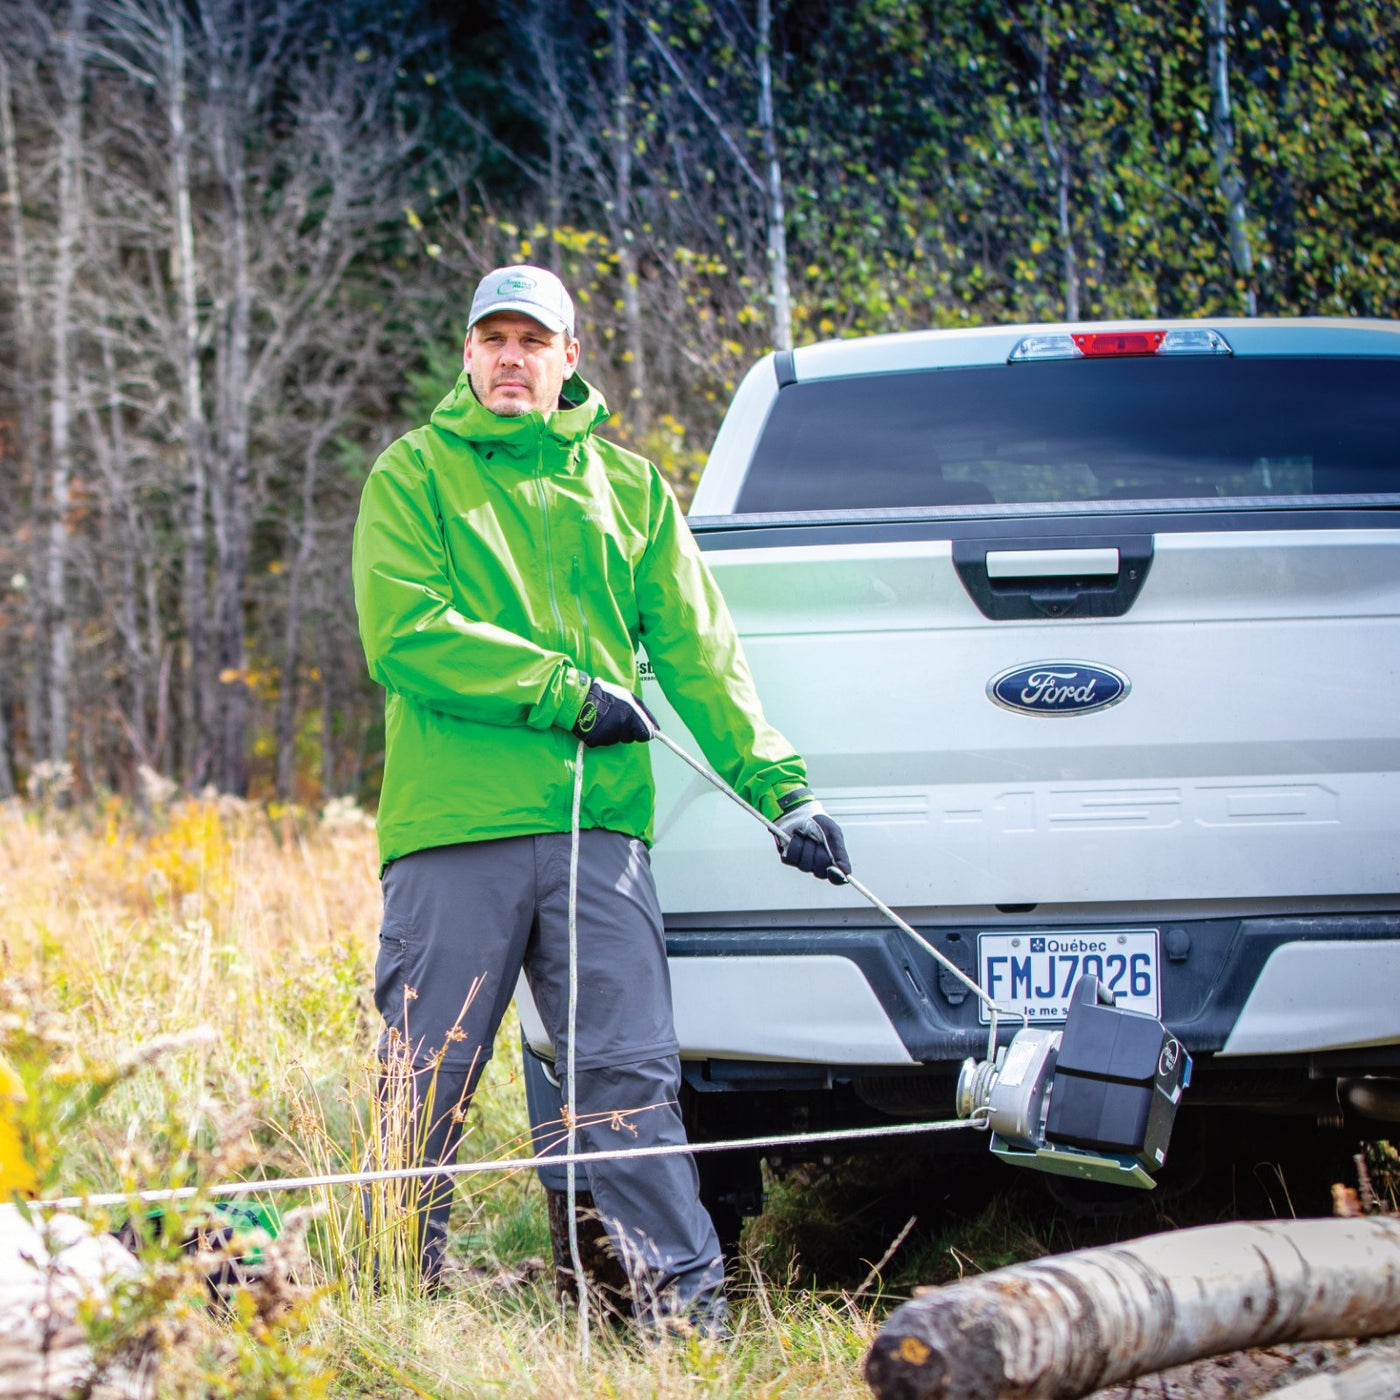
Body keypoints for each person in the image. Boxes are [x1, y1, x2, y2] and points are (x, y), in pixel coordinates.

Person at [350, 264, 850, 1331]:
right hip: (455, 829)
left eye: (534, 342)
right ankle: (387, 1307)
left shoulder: (628, 488)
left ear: (570, 357)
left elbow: (698, 654)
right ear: (468, 353)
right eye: (493, 340)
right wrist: (563, 691)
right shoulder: (414, 473)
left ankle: (684, 1325)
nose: (511, 359)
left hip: (598, 836)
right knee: (423, 1077)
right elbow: (405, 634)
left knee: (627, 1081)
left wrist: (782, 792)